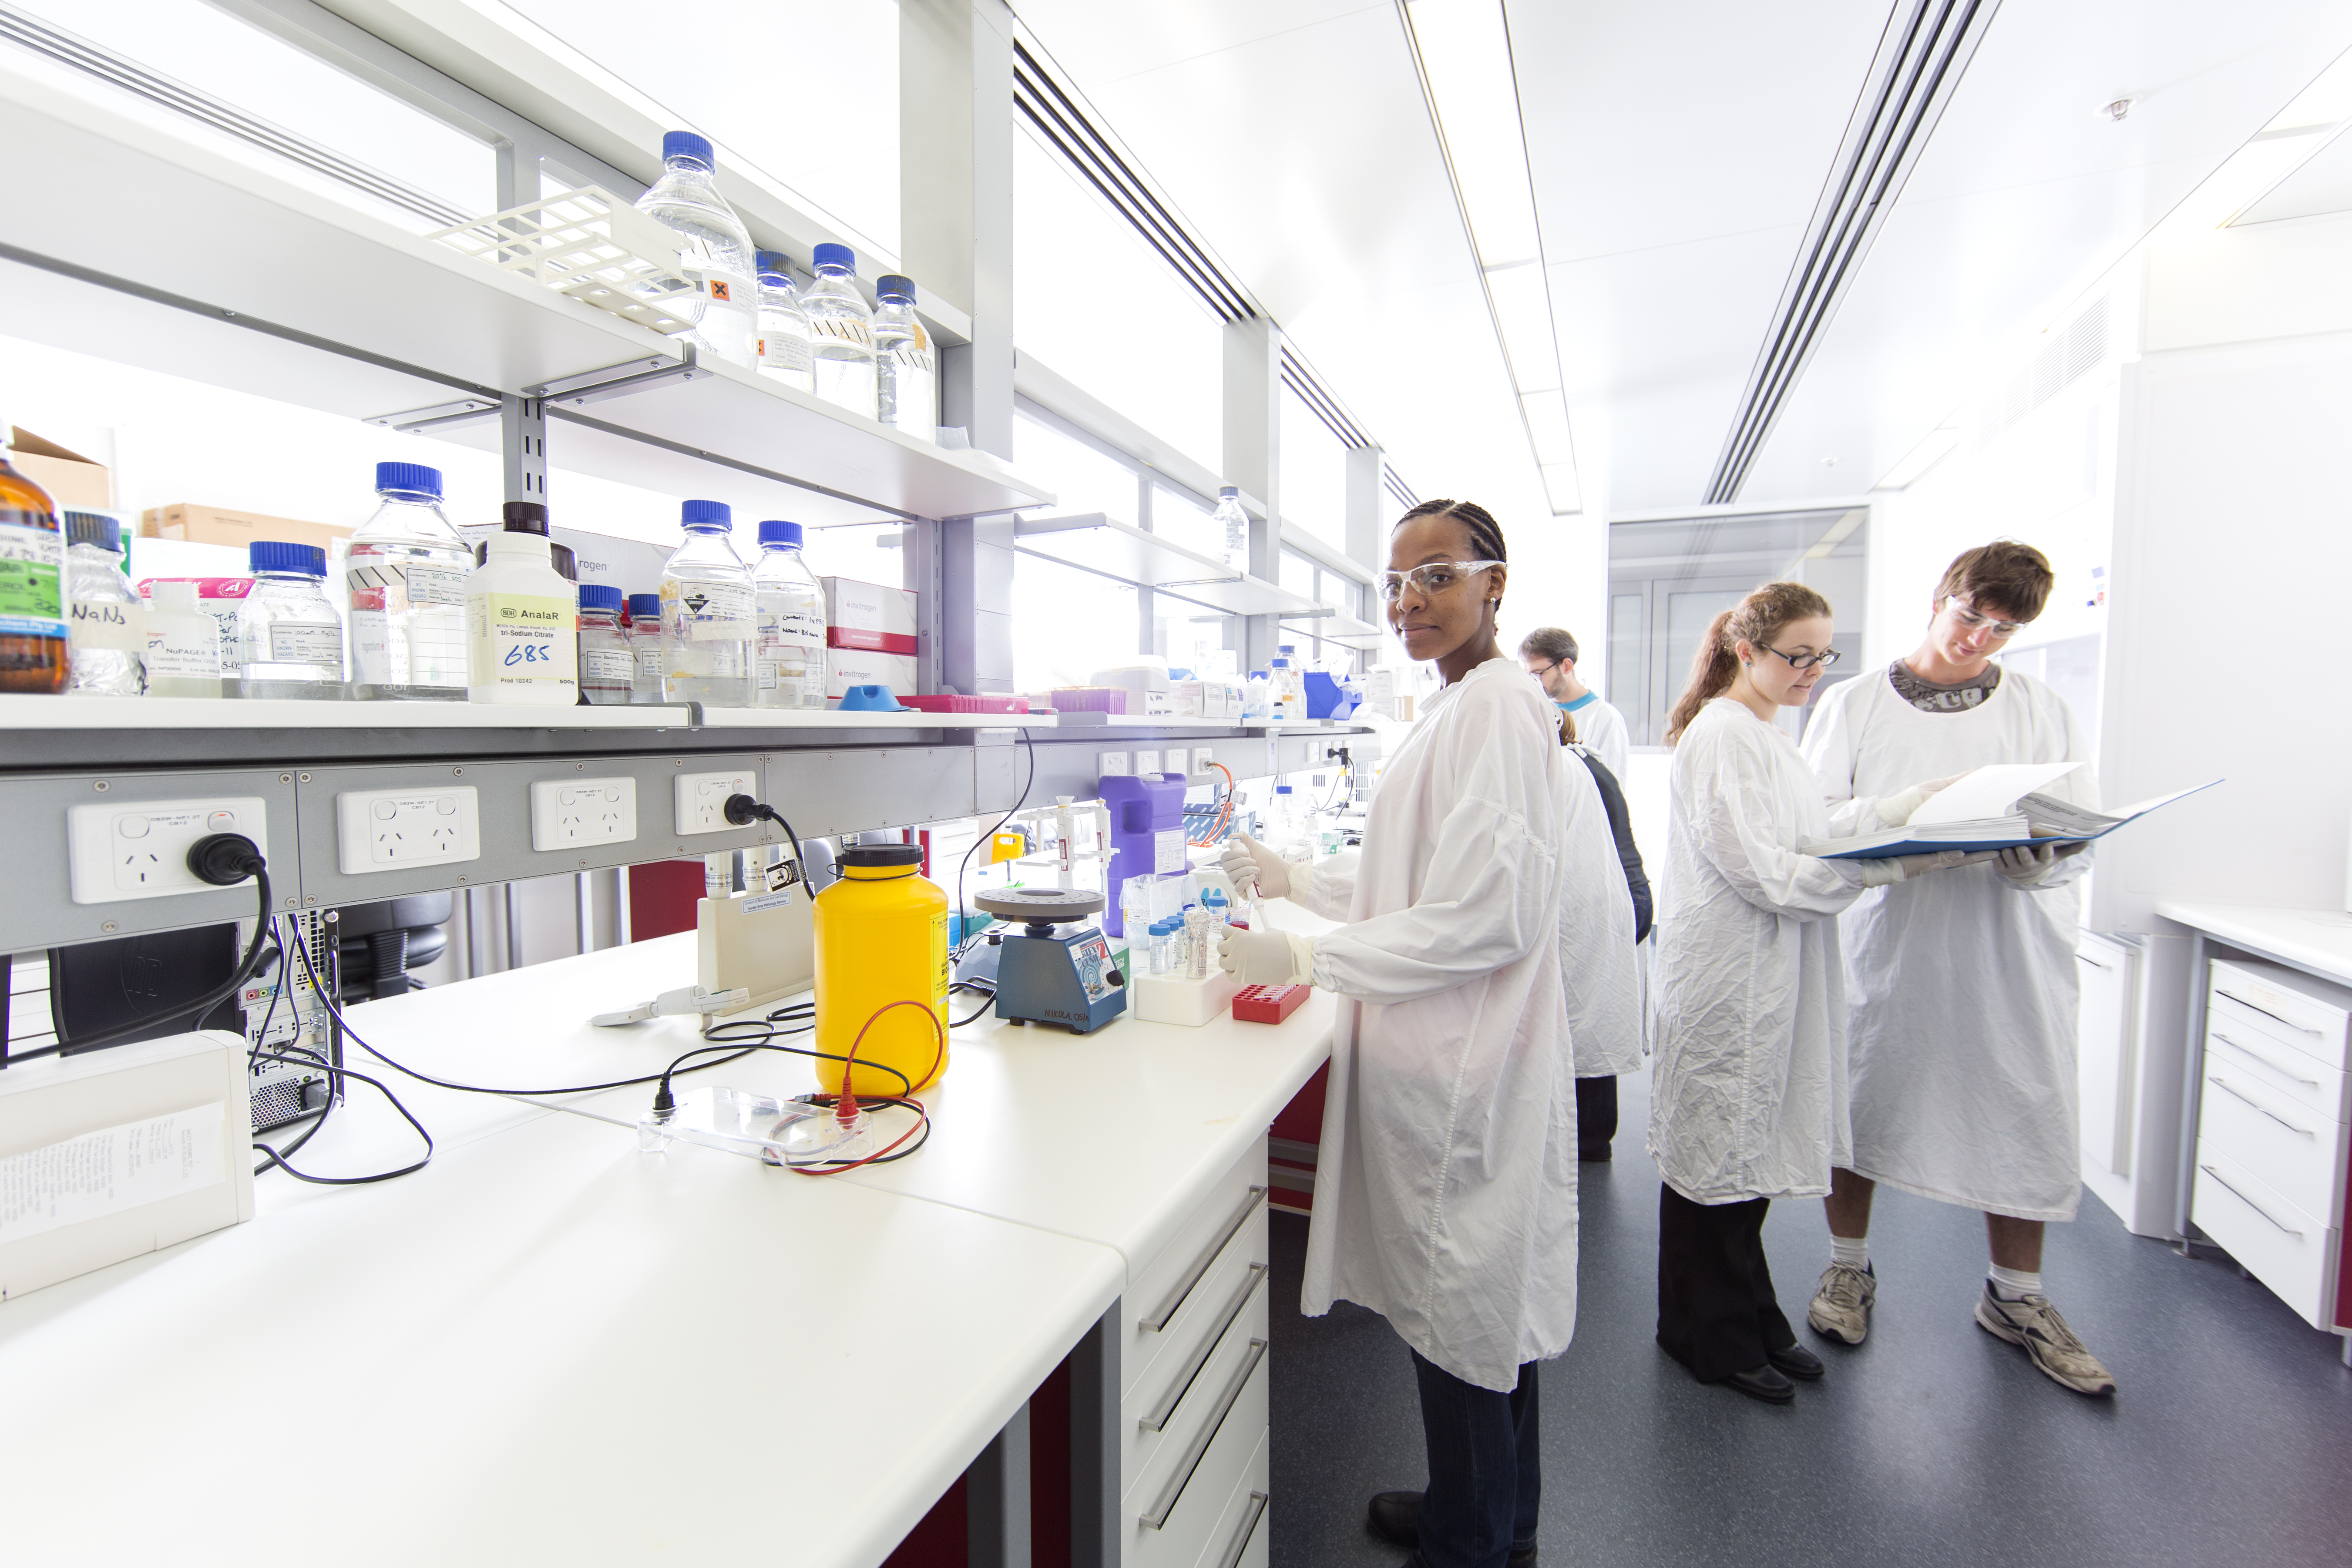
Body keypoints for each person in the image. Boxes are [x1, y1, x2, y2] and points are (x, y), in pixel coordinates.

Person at [1219, 499, 1572, 1568]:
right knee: (1473, 1303)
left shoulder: (1499, 707)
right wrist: (1302, 881)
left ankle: (1471, 1540)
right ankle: (1493, 1510)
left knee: (1458, 1301)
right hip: (1451, 1044)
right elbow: (1413, 876)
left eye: (1437, 576)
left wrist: (1311, 958)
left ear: (1494, 582)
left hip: (1460, 1056)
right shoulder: (1467, 701)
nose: (1409, 600)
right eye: (1396, 581)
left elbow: (1484, 915)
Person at [1649, 581, 1979, 1404]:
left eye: (1821, 655)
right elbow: (1764, 871)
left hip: (1766, 973)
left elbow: (1812, 831)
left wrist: (1912, 807)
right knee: (1715, 1169)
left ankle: (1748, 1317)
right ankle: (1706, 1339)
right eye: (1795, 656)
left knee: (1742, 1165)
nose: (1810, 671)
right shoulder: (1723, 735)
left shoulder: (1762, 732)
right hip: (1731, 978)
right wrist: (1892, 863)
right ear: (1745, 651)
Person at [1798, 541, 2113, 1397]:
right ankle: (1845, 1267)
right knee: (1861, 1099)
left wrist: (2038, 856)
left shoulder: (2041, 709)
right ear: (1938, 596)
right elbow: (1816, 821)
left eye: (2003, 628)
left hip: (2003, 944)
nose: (1980, 637)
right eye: (1970, 614)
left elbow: (2070, 826)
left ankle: (2015, 1297)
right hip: (1888, 938)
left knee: (2021, 1102)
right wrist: (1916, 812)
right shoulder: (1855, 703)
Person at [1558, 712, 1648, 1160]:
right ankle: (1592, 1136)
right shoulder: (1584, 760)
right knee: (1592, 1017)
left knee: (1584, 1021)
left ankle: (1589, 1139)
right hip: (1617, 899)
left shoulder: (1563, 769)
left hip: (1597, 906)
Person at [1521, 626, 1628, 777]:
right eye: (1528, 675)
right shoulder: (1536, 713)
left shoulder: (1605, 718)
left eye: (1539, 673)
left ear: (1567, 666)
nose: (1535, 682)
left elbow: (1611, 790)